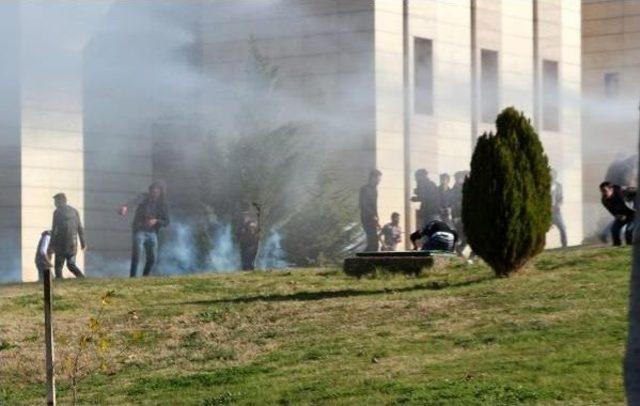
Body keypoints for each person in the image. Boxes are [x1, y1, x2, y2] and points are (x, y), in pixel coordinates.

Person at [119, 182, 170, 277]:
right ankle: (133, 277)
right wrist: (125, 207)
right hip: (139, 231)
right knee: (137, 255)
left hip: (152, 234)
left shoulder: (162, 205)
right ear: (150, 191)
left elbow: (167, 222)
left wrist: (156, 221)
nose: (154, 193)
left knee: (152, 259)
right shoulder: (143, 198)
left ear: (160, 193)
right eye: (152, 190)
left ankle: (145, 277)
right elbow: (134, 202)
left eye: (157, 191)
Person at [51, 193, 86, 279]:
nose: (54, 203)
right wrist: (83, 243)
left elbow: (54, 229)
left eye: (55, 201)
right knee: (71, 265)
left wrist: (52, 244)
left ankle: (59, 283)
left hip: (61, 244)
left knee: (58, 267)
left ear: (60, 201)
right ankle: (81, 278)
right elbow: (80, 228)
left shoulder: (57, 212)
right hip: (72, 244)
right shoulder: (75, 211)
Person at [599, 181, 636, 246]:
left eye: (605, 190)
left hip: (634, 213)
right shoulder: (604, 200)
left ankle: (629, 246)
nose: (603, 193)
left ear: (611, 189)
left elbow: (636, 190)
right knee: (614, 229)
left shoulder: (622, 191)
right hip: (623, 215)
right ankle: (617, 245)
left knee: (628, 231)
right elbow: (612, 211)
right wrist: (617, 216)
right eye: (601, 191)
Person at [360, 169, 382, 252]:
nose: (379, 181)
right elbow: (364, 205)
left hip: (373, 218)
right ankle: (363, 260)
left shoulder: (375, 190)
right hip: (367, 218)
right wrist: (372, 216)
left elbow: (374, 206)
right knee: (373, 241)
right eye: (378, 179)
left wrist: (377, 218)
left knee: (374, 242)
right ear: (373, 178)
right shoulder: (365, 189)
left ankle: (364, 260)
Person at [237, 203, 261, 270]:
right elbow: (240, 228)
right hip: (245, 241)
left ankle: (250, 269)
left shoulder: (257, 218)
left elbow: (258, 230)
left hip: (254, 241)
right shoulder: (244, 216)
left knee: (251, 258)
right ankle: (246, 270)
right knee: (245, 258)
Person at [551, 169, 568, 248]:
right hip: (546, 211)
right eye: (550, 175)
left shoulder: (559, 186)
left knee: (562, 228)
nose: (552, 177)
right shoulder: (543, 184)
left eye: (553, 175)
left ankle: (564, 246)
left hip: (556, 211)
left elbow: (560, 198)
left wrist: (559, 204)